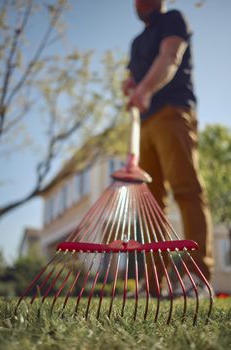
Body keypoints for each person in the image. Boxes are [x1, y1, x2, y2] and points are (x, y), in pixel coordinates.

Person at [123, 0, 214, 293]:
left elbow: (170, 57)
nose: (141, 3)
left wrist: (145, 89)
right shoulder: (136, 42)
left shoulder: (173, 19)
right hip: (144, 124)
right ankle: (152, 281)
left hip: (173, 112)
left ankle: (197, 275)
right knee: (152, 206)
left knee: (187, 191)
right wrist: (129, 87)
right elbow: (130, 79)